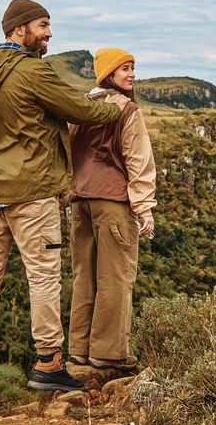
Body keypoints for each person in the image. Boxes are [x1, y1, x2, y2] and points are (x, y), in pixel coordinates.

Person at [0, 0, 127, 392]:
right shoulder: (33, 71)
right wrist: (116, 106)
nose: (50, 33)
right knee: (43, 275)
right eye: (43, 25)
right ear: (20, 29)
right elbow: (80, 111)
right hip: (31, 192)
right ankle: (49, 363)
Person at [66, 47, 157, 373]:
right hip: (114, 205)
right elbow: (138, 160)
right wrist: (145, 208)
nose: (131, 74)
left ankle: (78, 351)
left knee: (84, 277)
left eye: (133, 67)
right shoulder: (127, 110)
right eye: (124, 69)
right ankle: (109, 355)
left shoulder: (82, 106)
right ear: (109, 74)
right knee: (115, 278)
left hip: (80, 202)